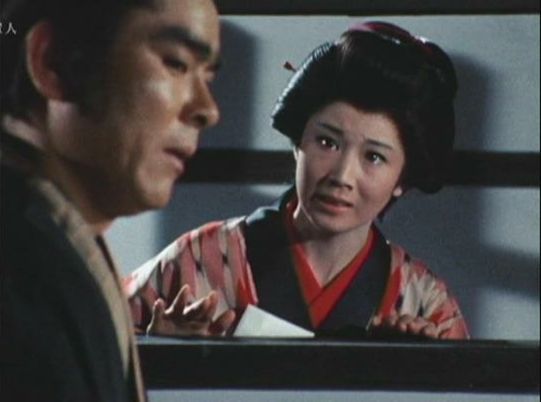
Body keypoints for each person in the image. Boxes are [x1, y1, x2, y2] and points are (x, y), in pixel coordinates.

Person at [125, 21, 469, 340]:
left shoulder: (425, 304)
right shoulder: (199, 259)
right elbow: (101, 352)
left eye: (374, 157)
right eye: (327, 142)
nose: (342, 176)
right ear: (297, 142)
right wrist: (156, 349)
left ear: (402, 179)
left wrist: (417, 371)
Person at [0, 0, 222, 400]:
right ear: (51, 62)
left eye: (208, 76)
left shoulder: (55, 240)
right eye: (176, 63)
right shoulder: (20, 260)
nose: (207, 110)